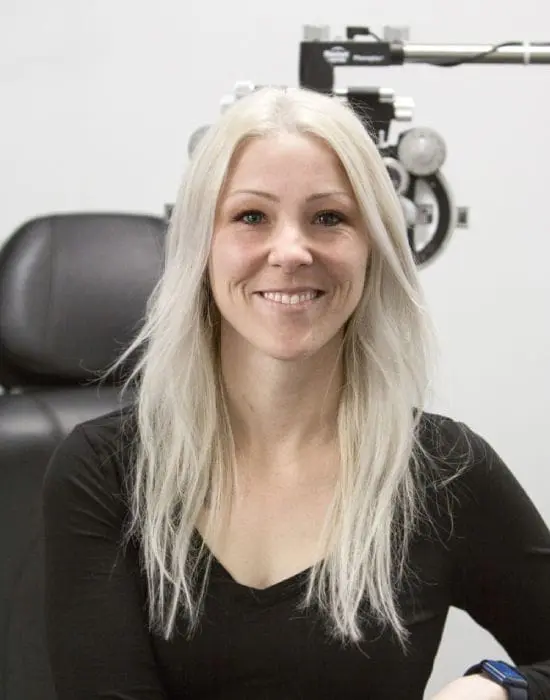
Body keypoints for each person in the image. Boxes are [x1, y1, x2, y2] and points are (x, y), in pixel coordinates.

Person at [42, 86, 550, 700]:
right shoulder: (106, 470)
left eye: (329, 218)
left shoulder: (442, 470)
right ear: (201, 247)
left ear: (374, 248)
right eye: (250, 216)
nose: (291, 251)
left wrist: (499, 688)